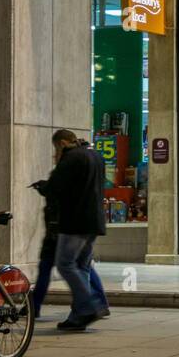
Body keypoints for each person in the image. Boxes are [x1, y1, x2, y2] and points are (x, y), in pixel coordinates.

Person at [34, 130, 109, 330]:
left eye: (56, 147)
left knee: (65, 264)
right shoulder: (95, 155)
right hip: (94, 221)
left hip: (75, 221)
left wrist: (44, 187)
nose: (55, 152)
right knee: (82, 266)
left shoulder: (70, 158)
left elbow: (56, 188)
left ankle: (88, 306)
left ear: (62, 143)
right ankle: (77, 317)